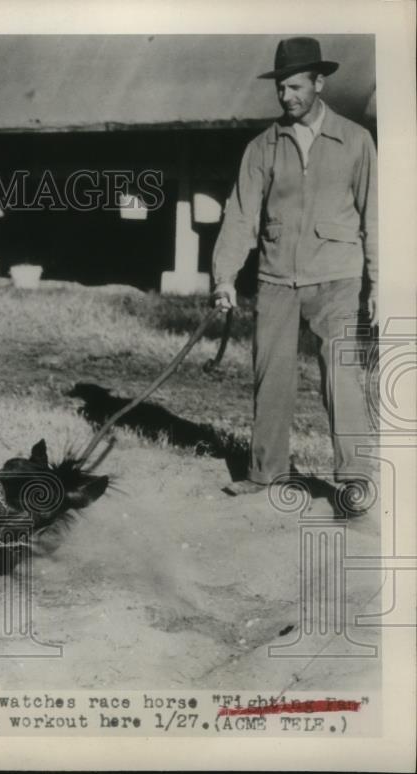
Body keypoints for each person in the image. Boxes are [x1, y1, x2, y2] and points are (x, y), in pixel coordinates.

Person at [211, 37, 377, 515]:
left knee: (341, 376)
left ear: (320, 83)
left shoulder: (356, 141)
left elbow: (376, 219)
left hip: (337, 279)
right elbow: (240, 216)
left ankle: (354, 481)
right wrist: (224, 277)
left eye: (296, 87)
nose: (287, 97)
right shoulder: (263, 146)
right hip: (277, 277)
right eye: (281, 88)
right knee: (271, 377)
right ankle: (265, 473)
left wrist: (379, 286)